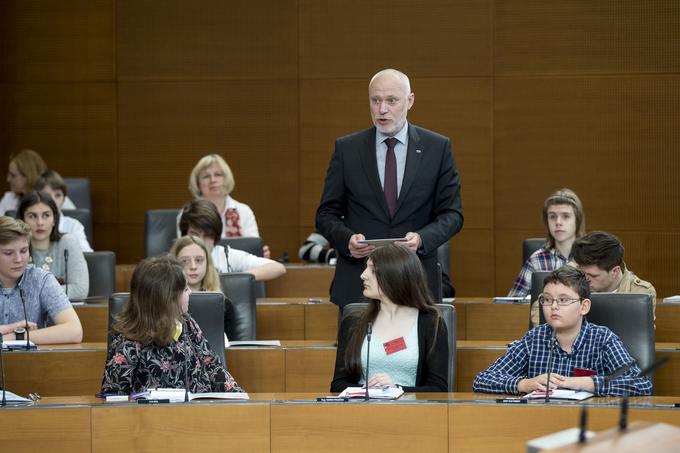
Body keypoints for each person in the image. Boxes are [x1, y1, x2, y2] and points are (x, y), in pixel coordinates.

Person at [316, 68, 463, 307]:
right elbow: (325, 214)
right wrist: (347, 241)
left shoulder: (437, 147)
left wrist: (422, 239)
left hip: (414, 280)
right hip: (358, 281)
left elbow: (452, 214)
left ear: (410, 101)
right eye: (376, 100)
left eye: (391, 100)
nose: (382, 109)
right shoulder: (347, 149)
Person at [473, 267, 651, 396]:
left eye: (563, 300)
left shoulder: (603, 339)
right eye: (547, 300)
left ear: (584, 306)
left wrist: (584, 383)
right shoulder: (534, 339)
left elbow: (641, 384)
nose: (554, 307)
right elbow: (483, 380)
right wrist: (526, 383)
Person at [100, 255, 243, 394]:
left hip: (200, 411)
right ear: (167, 297)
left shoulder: (187, 323)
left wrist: (240, 396)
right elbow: (113, 396)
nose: (190, 293)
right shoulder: (128, 342)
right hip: (151, 416)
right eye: (185, 289)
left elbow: (213, 366)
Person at [330, 244, 449, 393]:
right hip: (361, 410)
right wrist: (368, 390)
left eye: (372, 270)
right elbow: (337, 385)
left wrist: (396, 389)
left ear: (394, 276)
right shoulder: (353, 322)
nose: (363, 275)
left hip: (412, 411)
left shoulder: (431, 323)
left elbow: (439, 388)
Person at [0, 216, 83, 344]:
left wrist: (15, 337)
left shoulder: (41, 280)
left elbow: (75, 331)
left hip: (32, 362)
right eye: (8, 253)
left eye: (23, 251)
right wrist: (10, 329)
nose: (18, 259)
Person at [178, 199, 285, 281]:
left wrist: (233, 278)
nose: (200, 241)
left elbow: (278, 267)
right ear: (184, 234)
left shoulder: (226, 255)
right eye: (195, 235)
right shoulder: (175, 258)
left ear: (215, 236)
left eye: (207, 236)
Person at [186, 154, 270, 257]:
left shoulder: (244, 211)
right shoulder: (188, 214)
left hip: (239, 270)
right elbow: (184, 251)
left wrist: (260, 256)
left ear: (226, 179)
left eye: (218, 174)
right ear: (198, 183)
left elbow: (253, 249)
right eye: (206, 176)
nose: (213, 180)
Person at [508, 188, 586, 298]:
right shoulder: (536, 260)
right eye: (552, 216)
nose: (558, 222)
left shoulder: (590, 258)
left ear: (577, 220)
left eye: (565, 216)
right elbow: (513, 304)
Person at [18, 191, 89, 300]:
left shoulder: (67, 243)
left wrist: (34, 292)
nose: (40, 222)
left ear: (54, 219)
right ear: (22, 220)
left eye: (46, 215)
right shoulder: (14, 248)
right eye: (32, 216)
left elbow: (80, 290)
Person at [571, 230, 656, 314]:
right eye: (582, 273)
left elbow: (640, 327)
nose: (585, 280)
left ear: (615, 271)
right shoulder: (570, 277)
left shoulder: (641, 292)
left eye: (593, 276)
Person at [33, 170, 93, 252]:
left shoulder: (73, 226)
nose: (53, 200)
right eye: (46, 195)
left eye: (57, 195)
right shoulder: (28, 225)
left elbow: (87, 257)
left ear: (64, 200)